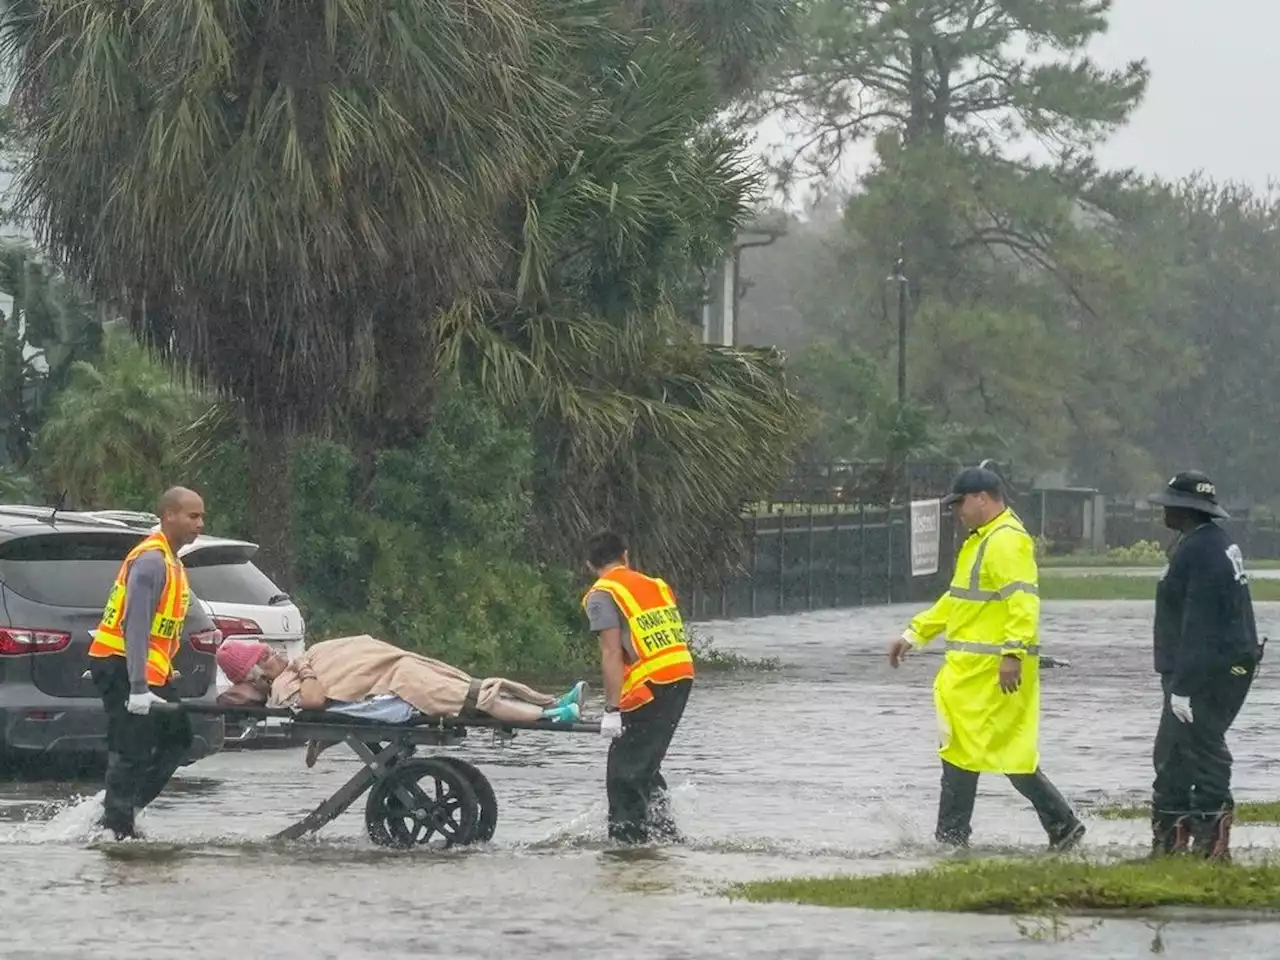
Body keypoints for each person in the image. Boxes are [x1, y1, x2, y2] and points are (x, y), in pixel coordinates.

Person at [888, 466, 1084, 850]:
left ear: (982, 498)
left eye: (960, 503)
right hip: (970, 676)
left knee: (999, 752)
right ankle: (958, 837)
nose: (957, 511)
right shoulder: (981, 541)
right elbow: (958, 601)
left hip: (994, 674)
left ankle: (1054, 825)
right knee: (966, 752)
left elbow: (1023, 601)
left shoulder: (1007, 541)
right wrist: (915, 633)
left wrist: (1012, 653)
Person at [214, 635, 588, 766]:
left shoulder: (291, 670)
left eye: (268, 652)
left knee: (470, 684)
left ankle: (550, 702)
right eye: (264, 658)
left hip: (392, 671)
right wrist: (308, 668)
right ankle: (549, 716)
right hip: (394, 687)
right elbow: (312, 700)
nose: (274, 656)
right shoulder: (285, 686)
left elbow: (352, 660)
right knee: (472, 698)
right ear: (257, 675)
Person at [1147, 470, 1264, 860]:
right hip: (1208, 665)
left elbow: (1200, 624)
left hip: (1208, 671)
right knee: (1172, 752)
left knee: (1203, 748)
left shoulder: (1201, 551)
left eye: (1168, 504)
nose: (1162, 509)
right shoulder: (1207, 542)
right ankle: (1171, 844)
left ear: (1184, 509)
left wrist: (1183, 686)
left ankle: (1211, 847)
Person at [87, 486, 206, 840]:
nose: (200, 523)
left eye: (201, 516)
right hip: (125, 667)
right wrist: (137, 687)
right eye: (193, 516)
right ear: (168, 515)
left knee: (178, 738)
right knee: (132, 748)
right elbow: (135, 625)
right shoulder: (152, 560)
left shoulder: (173, 561)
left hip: (147, 669)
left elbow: (161, 630)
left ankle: (119, 811)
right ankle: (115, 830)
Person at [582, 529, 695, 844]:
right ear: (626, 556)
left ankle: (627, 850)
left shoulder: (602, 594)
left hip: (652, 684)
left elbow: (611, 652)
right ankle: (664, 837)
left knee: (623, 774)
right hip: (680, 674)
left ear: (591, 565)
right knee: (643, 763)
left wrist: (611, 710)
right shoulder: (656, 585)